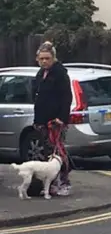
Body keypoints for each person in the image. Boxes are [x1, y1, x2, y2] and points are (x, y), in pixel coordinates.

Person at [33, 41, 73, 195]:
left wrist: (61, 118)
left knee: (58, 154)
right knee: (48, 155)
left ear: (53, 58)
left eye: (47, 58)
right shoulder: (40, 74)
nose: (44, 61)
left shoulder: (60, 74)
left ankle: (64, 183)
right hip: (42, 120)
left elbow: (66, 98)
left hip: (56, 121)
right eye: (41, 58)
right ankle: (51, 185)